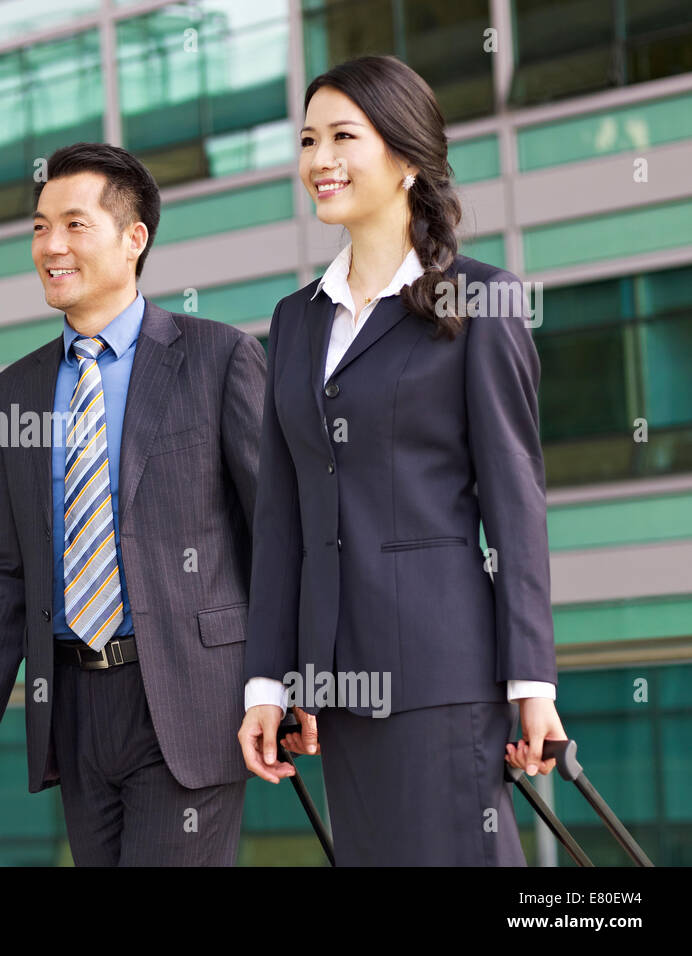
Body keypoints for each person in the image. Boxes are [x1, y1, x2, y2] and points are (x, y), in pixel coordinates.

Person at [237, 55, 566, 865]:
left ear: (408, 156)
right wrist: (268, 682)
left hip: (442, 668)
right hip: (336, 689)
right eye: (309, 139)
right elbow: (283, 519)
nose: (321, 159)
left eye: (344, 136)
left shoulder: (481, 300)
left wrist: (532, 681)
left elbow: (515, 501)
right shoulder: (296, 320)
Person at [0, 143, 268, 865]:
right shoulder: (16, 391)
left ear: (134, 238)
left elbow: (274, 534)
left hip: (189, 698)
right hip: (75, 706)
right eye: (38, 227)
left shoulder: (218, 359)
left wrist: (285, 681)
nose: (50, 246)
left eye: (75, 225)